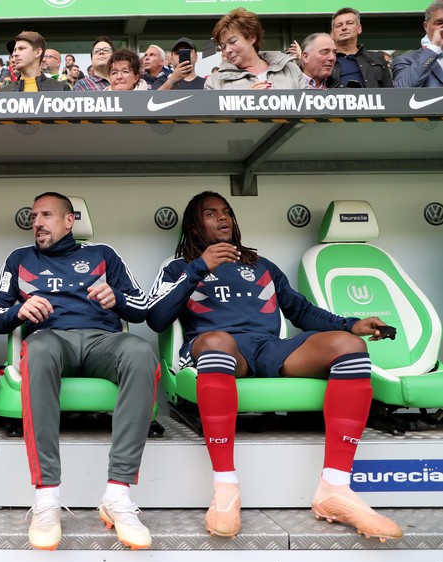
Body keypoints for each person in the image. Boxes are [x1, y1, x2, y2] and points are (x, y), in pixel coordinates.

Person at [146, 191, 403, 542]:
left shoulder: (260, 265)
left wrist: (350, 324)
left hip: (270, 348)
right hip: (219, 347)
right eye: (210, 214)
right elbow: (157, 317)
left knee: (350, 347)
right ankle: (225, 487)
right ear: (194, 224)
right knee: (217, 341)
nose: (222, 219)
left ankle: (335, 488)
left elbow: (300, 310)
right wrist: (200, 267)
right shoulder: (179, 268)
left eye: (227, 213)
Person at [0, 192, 156, 551]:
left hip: (101, 341)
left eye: (46, 215)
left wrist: (117, 298)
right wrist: (21, 309)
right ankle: (47, 500)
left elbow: (142, 309)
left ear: (69, 221)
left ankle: (118, 495)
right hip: (52, 338)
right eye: (34, 216)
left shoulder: (102, 255)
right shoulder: (20, 259)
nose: (37, 223)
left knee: (140, 352)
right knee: (41, 348)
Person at [205, 8, 308, 90]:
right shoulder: (215, 81)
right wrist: (247, 101)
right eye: (223, 46)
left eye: (233, 42)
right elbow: (211, 115)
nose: (227, 50)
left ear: (252, 37)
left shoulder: (290, 70)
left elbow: (311, 108)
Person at [330, 7, 392, 88]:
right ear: (332, 34)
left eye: (349, 23)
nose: (344, 28)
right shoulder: (325, 61)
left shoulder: (378, 58)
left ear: (359, 28)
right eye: (339, 25)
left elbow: (390, 91)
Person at [393, 1, 443, 88]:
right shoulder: (405, 60)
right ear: (426, 26)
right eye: (439, 23)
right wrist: (434, 48)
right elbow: (402, 90)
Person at [0, 31, 70, 92]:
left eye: (21, 48)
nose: (15, 54)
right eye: (15, 50)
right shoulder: (4, 92)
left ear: (38, 52)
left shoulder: (61, 89)